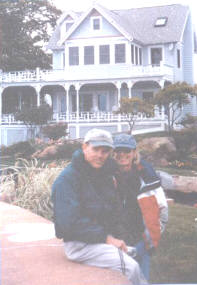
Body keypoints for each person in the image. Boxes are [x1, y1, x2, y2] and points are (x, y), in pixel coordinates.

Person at [52, 128, 148, 285]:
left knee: (136, 255)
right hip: (80, 245)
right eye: (95, 149)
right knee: (131, 268)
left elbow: (114, 210)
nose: (100, 155)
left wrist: (118, 237)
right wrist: (107, 238)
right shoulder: (67, 180)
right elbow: (68, 224)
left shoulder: (104, 174)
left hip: (100, 240)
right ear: (84, 147)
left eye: (105, 151)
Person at [113, 133, 168, 281]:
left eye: (127, 151)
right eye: (118, 151)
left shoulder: (146, 176)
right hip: (115, 239)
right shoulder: (106, 175)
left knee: (141, 279)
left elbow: (162, 211)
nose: (122, 154)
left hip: (140, 239)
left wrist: (149, 240)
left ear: (134, 153)